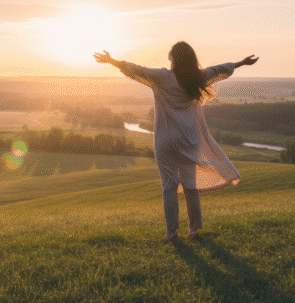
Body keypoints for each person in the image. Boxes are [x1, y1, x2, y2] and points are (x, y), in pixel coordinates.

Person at [94, 42, 258, 243]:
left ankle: (171, 233)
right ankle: (194, 231)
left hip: (165, 137)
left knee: (169, 186)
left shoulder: (162, 77)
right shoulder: (197, 77)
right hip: (189, 138)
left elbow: (135, 70)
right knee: (190, 185)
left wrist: (111, 61)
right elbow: (220, 70)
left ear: (173, 58)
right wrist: (242, 62)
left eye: (170, 57)